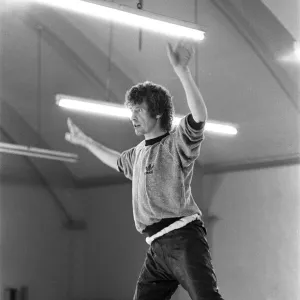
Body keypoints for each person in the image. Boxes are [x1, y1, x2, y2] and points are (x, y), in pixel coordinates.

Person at [65, 41, 224, 300]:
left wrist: (182, 72)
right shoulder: (138, 153)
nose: (133, 116)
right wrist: (85, 141)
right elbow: (116, 160)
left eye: (139, 110)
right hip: (156, 248)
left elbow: (199, 116)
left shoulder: (176, 143)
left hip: (183, 239)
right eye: (131, 110)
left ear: (158, 112)